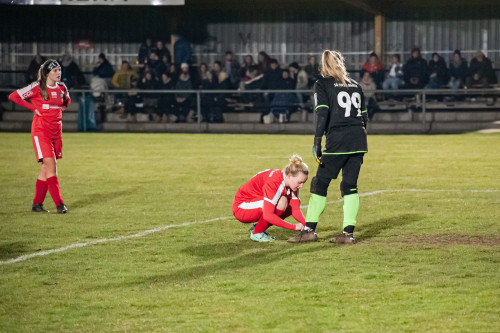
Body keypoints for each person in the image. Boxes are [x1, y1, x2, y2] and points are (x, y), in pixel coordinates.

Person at [288, 50, 368, 244]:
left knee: (319, 183)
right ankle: (348, 234)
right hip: (359, 139)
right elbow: (364, 117)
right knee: (349, 186)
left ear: (324, 65)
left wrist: (317, 140)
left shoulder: (322, 84)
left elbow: (322, 113)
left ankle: (309, 230)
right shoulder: (356, 86)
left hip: (338, 139)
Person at [8, 59, 70, 214]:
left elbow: (67, 101)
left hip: (56, 131)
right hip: (41, 131)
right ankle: (60, 204)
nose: (58, 73)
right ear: (47, 73)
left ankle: (37, 205)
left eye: (59, 70)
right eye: (55, 70)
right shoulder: (37, 87)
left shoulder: (62, 87)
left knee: (45, 168)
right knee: (52, 166)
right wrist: (33, 108)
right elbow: (14, 96)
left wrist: (61, 107)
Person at [232, 154, 308, 242]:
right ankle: (257, 232)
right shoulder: (275, 182)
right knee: (281, 203)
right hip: (241, 207)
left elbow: (295, 210)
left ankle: (258, 228)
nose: (301, 186)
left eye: (303, 183)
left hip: (253, 203)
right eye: (300, 182)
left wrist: (308, 225)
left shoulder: (291, 183)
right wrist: (294, 227)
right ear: (290, 176)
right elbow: (268, 215)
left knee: (289, 205)